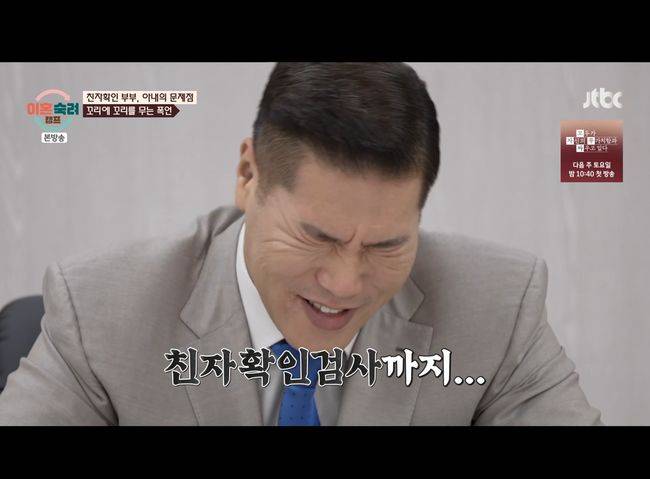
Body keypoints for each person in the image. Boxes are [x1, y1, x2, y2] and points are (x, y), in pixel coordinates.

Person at [0, 63, 602, 425]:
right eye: (316, 237)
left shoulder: (497, 308)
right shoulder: (102, 313)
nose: (344, 284)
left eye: (385, 245)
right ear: (248, 176)